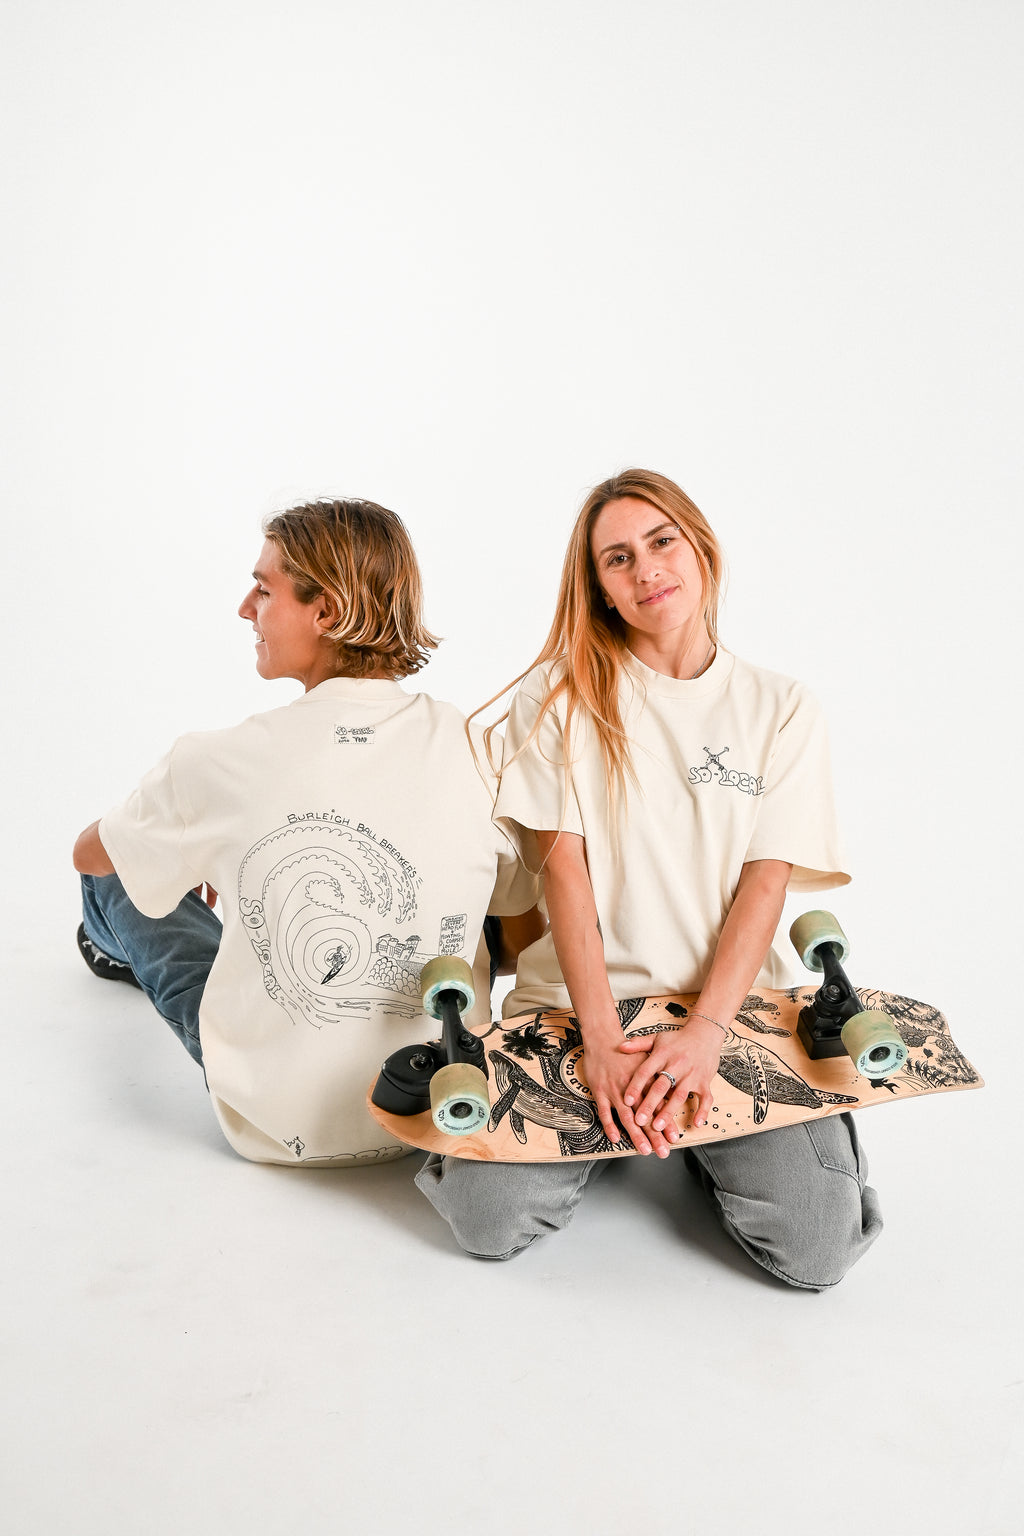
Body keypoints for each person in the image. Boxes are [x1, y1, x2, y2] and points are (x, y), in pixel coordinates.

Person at [415, 469, 882, 1288]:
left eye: (661, 542)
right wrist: (599, 1042)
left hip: (730, 1017)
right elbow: (565, 877)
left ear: (700, 548)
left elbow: (765, 885)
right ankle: (629, 1129)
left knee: (818, 1252)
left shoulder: (781, 707)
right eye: (617, 559)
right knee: (486, 1227)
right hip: (576, 1016)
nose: (646, 570)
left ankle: (698, 1138)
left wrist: (704, 1038)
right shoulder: (558, 698)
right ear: (598, 588)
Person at [73, 498, 538, 1167]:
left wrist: (188, 821)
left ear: (327, 612)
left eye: (263, 589)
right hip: (434, 1097)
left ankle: (110, 944)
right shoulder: (478, 746)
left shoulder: (217, 759)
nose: (245, 608)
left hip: (273, 1120)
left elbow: (91, 853)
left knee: (114, 879)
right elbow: (519, 929)